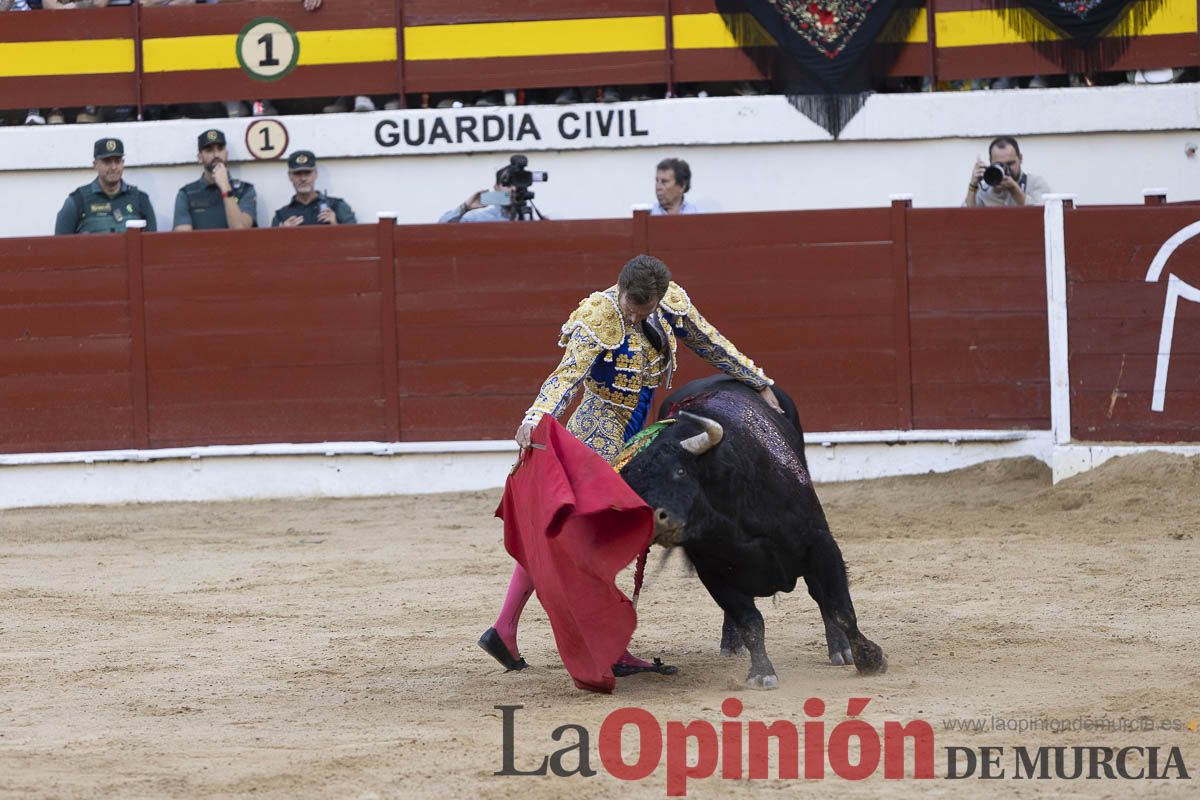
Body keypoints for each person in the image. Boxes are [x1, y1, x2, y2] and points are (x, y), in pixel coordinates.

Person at [479, 254, 783, 676]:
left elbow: (711, 343)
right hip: (597, 428)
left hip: (638, 428)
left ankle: (505, 629)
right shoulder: (600, 316)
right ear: (620, 288)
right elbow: (565, 377)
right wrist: (534, 417)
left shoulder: (669, 304)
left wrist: (758, 381)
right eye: (630, 305)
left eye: (643, 309)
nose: (633, 314)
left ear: (657, 300)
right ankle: (606, 644)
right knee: (592, 533)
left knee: (585, 534)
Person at [54, 138, 156, 234]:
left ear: (123, 163)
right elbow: (60, 247)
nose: (113, 167)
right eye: (107, 162)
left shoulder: (141, 200)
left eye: (117, 161)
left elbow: (152, 245)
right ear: (95, 164)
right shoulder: (77, 201)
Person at [173, 128, 256, 230]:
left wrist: (225, 187)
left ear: (226, 154)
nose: (216, 155)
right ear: (199, 157)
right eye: (209, 150)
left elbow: (240, 229)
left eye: (220, 149)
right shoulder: (186, 193)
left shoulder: (245, 190)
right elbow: (182, 239)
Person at [438, 158, 545, 223]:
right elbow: (441, 227)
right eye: (507, 183)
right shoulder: (480, 218)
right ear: (496, 188)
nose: (513, 188)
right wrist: (465, 207)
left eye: (518, 182)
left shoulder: (538, 219)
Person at [270, 151, 356, 227]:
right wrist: (281, 234)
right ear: (290, 176)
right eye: (297, 174)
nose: (303, 179)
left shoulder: (337, 206)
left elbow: (356, 240)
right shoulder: (281, 215)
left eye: (307, 173)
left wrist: (335, 224)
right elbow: (269, 244)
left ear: (315, 174)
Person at [965, 136, 1052, 207]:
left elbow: (1043, 215)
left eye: (1010, 163)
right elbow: (965, 219)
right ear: (990, 162)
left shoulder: (1035, 184)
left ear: (1020, 159)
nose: (1005, 169)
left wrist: (1014, 190)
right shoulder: (985, 191)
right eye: (999, 164)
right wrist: (973, 185)